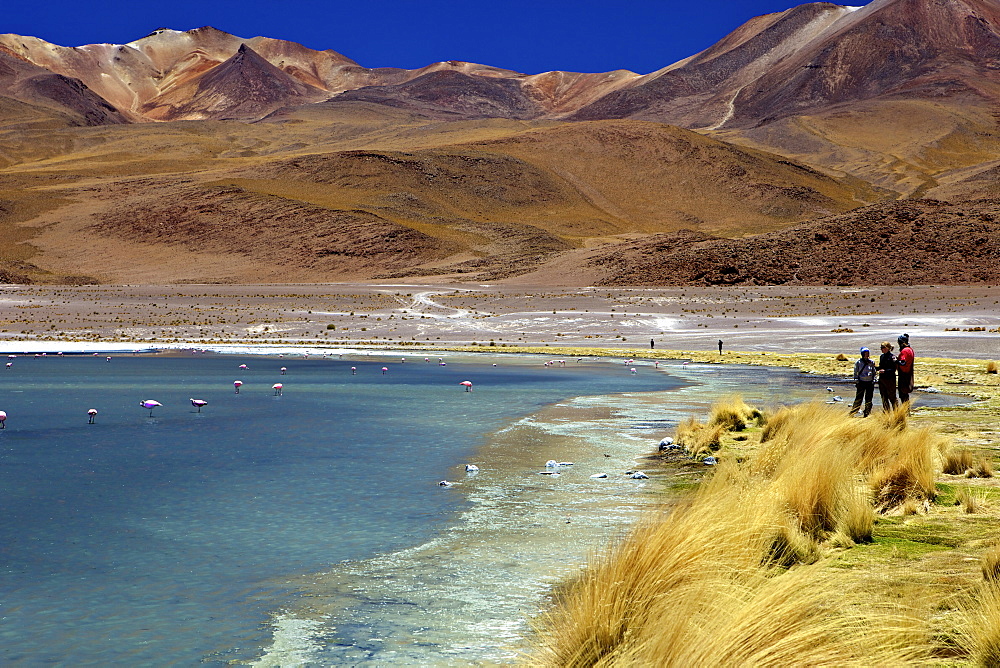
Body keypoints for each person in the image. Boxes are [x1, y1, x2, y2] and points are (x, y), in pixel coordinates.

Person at [849, 346, 877, 417]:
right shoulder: (858, 362)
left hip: (869, 383)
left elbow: (874, 372)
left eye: (868, 353)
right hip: (861, 382)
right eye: (865, 353)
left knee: (869, 398)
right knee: (859, 398)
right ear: (862, 354)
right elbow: (856, 372)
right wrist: (856, 380)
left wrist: (874, 379)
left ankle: (867, 412)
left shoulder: (871, 362)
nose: (867, 354)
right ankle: (853, 412)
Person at [876, 341, 898, 411]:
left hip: (890, 380)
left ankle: (897, 412)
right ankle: (886, 413)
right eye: (881, 348)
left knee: (892, 397)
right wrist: (875, 367)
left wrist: (885, 371)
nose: (882, 349)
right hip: (882, 379)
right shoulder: (882, 357)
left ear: (888, 348)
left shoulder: (892, 357)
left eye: (883, 347)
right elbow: (880, 367)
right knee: (884, 397)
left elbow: (893, 369)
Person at [896, 333, 915, 405]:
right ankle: (906, 411)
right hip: (908, 373)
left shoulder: (905, 351)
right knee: (905, 394)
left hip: (903, 374)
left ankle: (905, 411)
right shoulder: (910, 349)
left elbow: (903, 362)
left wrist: (896, 361)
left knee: (903, 394)